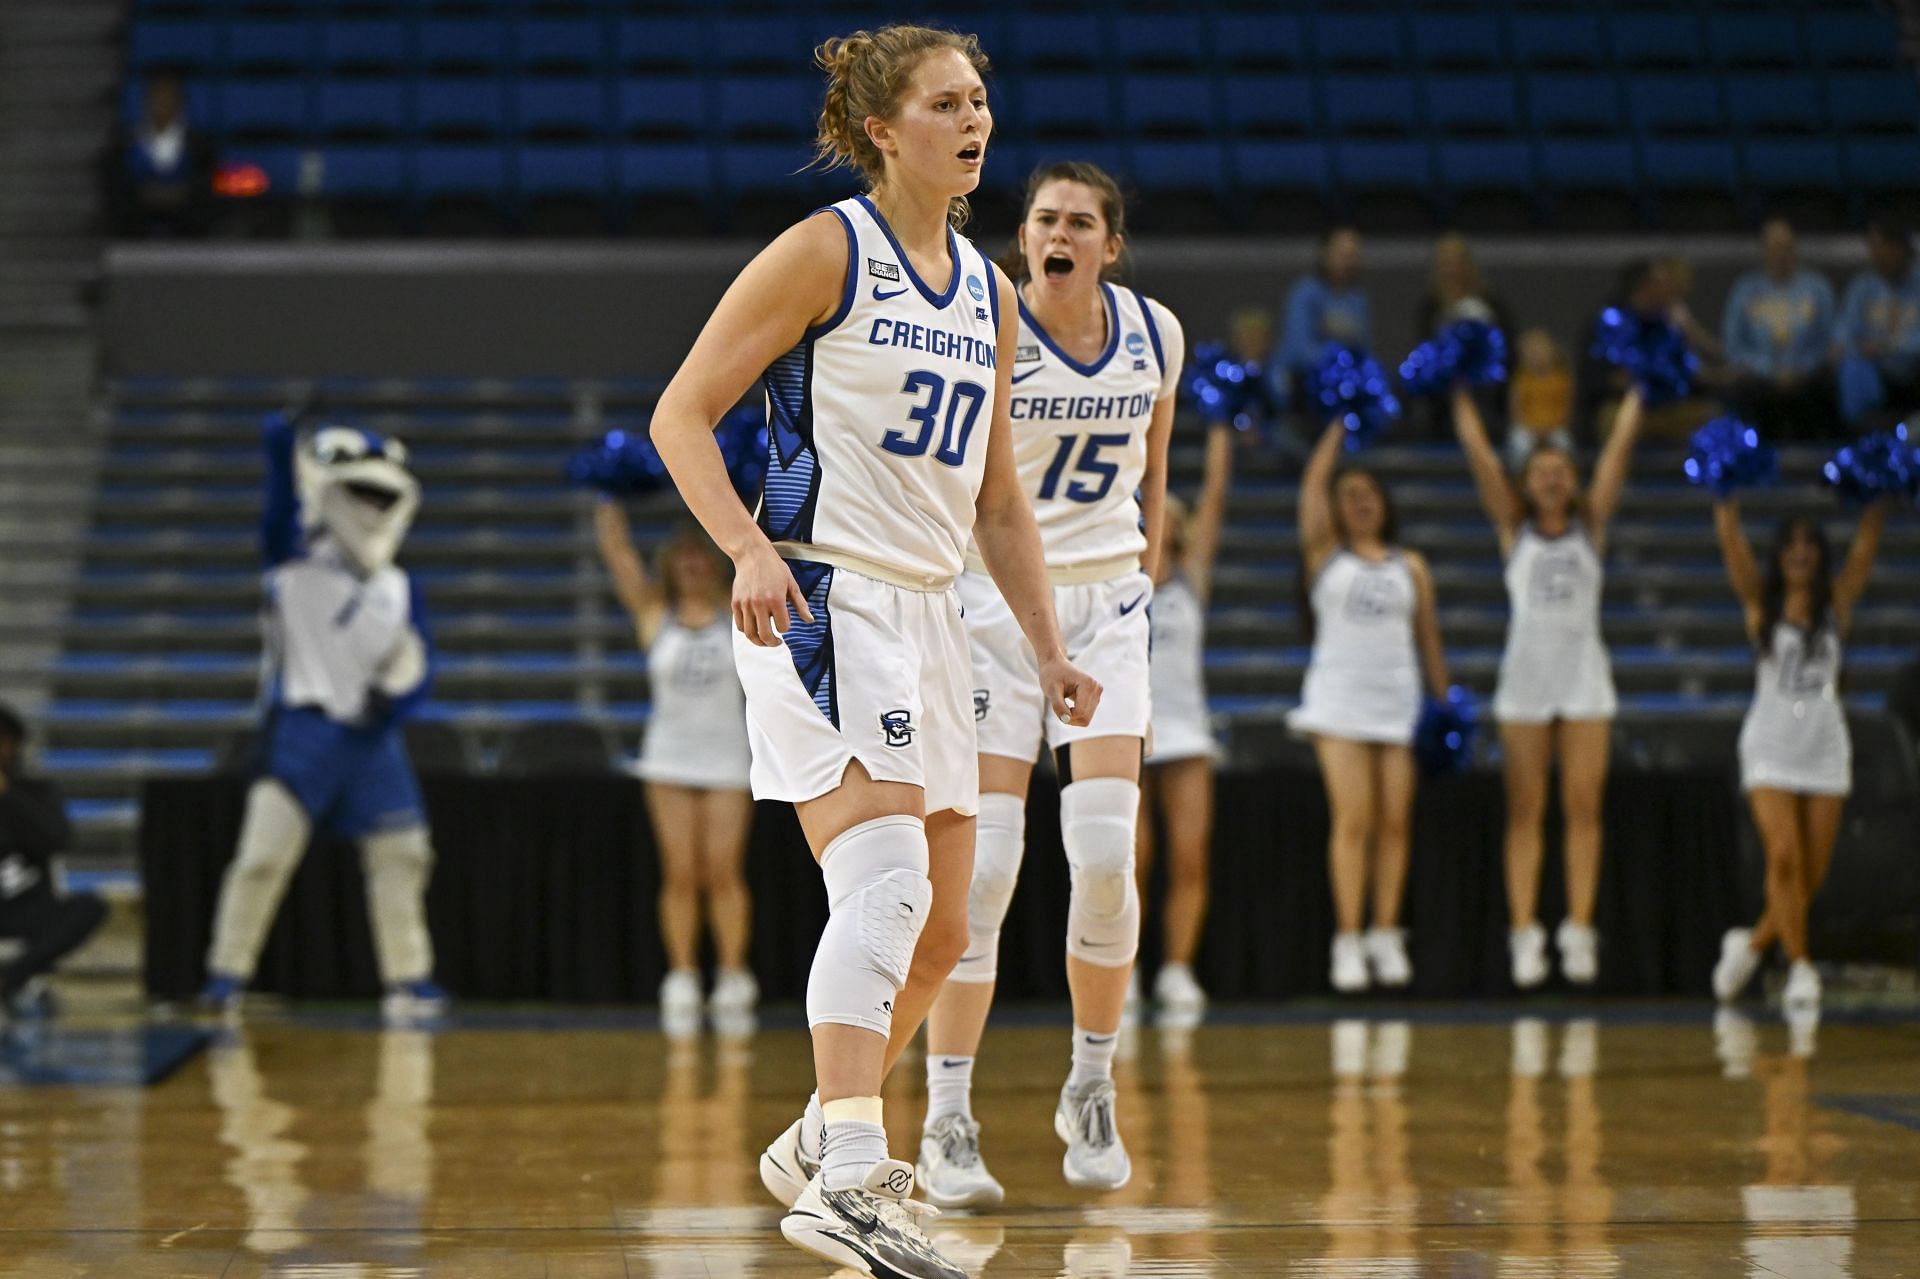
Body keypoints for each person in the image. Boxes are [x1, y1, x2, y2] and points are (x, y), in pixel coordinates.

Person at [643, 26, 1100, 1279]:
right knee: (888, 887)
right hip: (822, 597)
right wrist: (744, 546)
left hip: (935, 613)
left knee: (947, 932)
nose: (975, 119)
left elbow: (1001, 502)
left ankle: (812, 1139)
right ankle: (850, 1171)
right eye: (947, 101)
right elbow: (680, 414)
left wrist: (1050, 648)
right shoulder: (824, 249)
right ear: (881, 129)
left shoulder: (993, 296)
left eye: (983, 98)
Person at [911, 160, 1184, 1208]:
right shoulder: (985, 324)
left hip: (1106, 602)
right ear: (1022, 238)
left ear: (1111, 244)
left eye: (1080, 221)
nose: (1058, 232)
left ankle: (1089, 1082)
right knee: (983, 875)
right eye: (1043, 219)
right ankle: (947, 1117)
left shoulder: (1157, 334)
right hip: (991, 603)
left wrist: (1143, 572)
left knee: (1108, 854)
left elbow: (1155, 466)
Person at [199, 414, 447, 1024]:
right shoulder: (293, 559)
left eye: (381, 496)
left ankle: (409, 980)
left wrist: (397, 700)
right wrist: (281, 454)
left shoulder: (396, 584)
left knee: (403, 856)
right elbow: (277, 515)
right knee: (261, 858)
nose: (369, 505)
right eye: (358, 492)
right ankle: (225, 977)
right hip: (304, 732)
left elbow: (419, 658)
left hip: (373, 740)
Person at [1453, 383, 1647, 988]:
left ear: (1574, 479)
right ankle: (1525, 932)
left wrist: (1639, 387)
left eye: (1561, 470)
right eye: (1540, 472)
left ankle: (1580, 929)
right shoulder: (1515, 531)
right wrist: (1461, 388)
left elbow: (1618, 451)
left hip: (1586, 678)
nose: (1552, 480)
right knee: (1525, 812)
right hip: (1526, 682)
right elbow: (1481, 458)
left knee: (1585, 809)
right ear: (1526, 483)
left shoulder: (1591, 528)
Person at [1288, 424, 1450, 993]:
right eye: (1348, 495)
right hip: (1339, 703)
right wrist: (1337, 425)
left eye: (1368, 494)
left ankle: (1386, 932)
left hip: (1399, 702)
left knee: (1395, 822)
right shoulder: (1324, 555)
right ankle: (1348, 938)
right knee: (1353, 820)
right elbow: (1310, 486)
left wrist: (1443, 702)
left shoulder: (1413, 566)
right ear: (1336, 508)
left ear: (1384, 505)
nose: (1359, 502)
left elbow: (1428, 639)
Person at [1711, 497, 1888, 1014]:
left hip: (1825, 747)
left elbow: (1867, 545)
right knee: (1783, 857)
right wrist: (1727, 498)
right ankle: (1801, 968)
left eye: (1810, 544)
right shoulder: (1759, 605)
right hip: (1769, 745)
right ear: (1779, 555)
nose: (1801, 553)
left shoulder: (1838, 603)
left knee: (1809, 875)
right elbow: (1730, 544)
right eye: (1791, 544)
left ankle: (1751, 943)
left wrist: (1876, 496)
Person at [595, 502, 757, 1027]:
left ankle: (732, 975)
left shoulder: (740, 610)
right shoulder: (653, 615)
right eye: (682, 557)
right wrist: (609, 495)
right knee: (680, 871)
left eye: (699, 556)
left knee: (723, 870)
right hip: (668, 757)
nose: (691, 565)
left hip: (729, 755)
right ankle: (683, 975)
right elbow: (618, 556)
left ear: (713, 562)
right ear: (671, 564)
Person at [1136, 420, 1234, 1018]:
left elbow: (1217, 496)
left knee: (1190, 856)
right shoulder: (1119, 576)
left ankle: (1177, 971)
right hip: (1130, 730)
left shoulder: (1192, 577)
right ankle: (1120, 978)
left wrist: (1220, 425)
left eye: (1171, 510)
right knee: (1129, 862)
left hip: (1187, 732)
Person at [0, 704, 108, 1020]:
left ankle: (12, 976)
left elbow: (55, 841)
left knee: (89, 906)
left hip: (27, 904)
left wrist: (7, 797)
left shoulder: (36, 791)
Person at [1722, 218, 1839, 439]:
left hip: (1808, 378)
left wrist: (1801, 370)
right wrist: (1769, 372)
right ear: (1763, 250)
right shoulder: (1745, 289)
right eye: (1774, 247)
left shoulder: (1817, 288)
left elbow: (1829, 341)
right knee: (1741, 391)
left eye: (1786, 247)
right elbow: (1733, 345)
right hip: (1759, 380)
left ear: (1796, 248)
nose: (1781, 254)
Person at [105, 72, 216, 238]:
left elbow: (206, 177)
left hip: (187, 209)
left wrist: (180, 193)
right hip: (138, 208)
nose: (162, 104)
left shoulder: (199, 143)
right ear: (146, 103)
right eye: (157, 98)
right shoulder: (126, 140)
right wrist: (144, 193)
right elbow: (115, 179)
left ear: (179, 104)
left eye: (168, 99)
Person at [1835, 220, 1920, 430]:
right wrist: (1855, 348)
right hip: (1875, 374)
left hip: (1914, 370)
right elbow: (1844, 334)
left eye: (1880, 249)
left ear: (1900, 249)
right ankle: (1863, 432)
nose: (1875, 256)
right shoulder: (1863, 286)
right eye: (1873, 250)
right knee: (1851, 364)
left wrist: (1887, 347)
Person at [1277, 226, 1371, 411]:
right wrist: (1342, 363)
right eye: (1342, 254)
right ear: (1324, 254)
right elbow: (1299, 350)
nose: (1348, 262)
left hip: (1346, 385)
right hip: (1302, 384)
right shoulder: (1305, 292)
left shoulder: (1358, 300)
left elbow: (1364, 348)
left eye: (1353, 255)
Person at [1507, 329, 1575, 472]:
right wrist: (1533, 429)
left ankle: (1566, 478)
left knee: (1564, 442)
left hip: (1554, 428)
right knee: (1520, 443)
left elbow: (1566, 410)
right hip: (1528, 428)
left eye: (1540, 353)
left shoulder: (1561, 379)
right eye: (1532, 354)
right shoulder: (1522, 380)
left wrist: (1549, 429)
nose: (1536, 357)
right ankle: (1519, 480)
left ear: (1551, 353)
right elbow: (1516, 410)